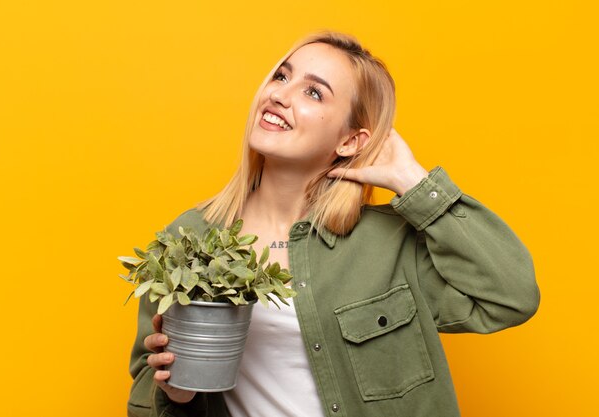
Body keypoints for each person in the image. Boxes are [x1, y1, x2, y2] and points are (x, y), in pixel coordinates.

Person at [127, 31, 540, 417]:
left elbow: (511, 297)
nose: (279, 95)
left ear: (350, 142)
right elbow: (146, 388)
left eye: (312, 92)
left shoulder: (390, 242)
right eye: (281, 76)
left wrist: (415, 182)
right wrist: (177, 391)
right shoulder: (192, 238)